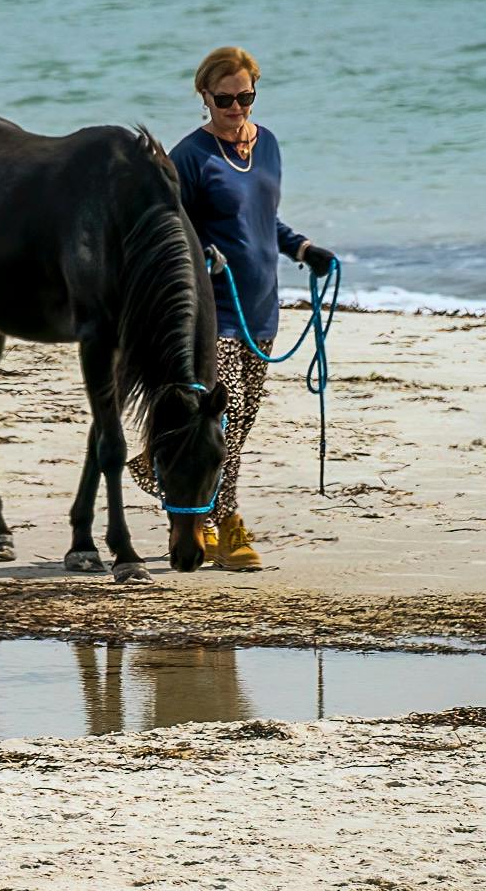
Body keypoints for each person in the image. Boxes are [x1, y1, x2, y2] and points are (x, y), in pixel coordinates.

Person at [134, 46, 336, 570]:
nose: (236, 107)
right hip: (212, 313)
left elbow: (264, 218)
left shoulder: (266, 145)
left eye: (245, 96)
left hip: (262, 307)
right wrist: (201, 251)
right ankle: (224, 526)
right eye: (225, 98)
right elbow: (170, 232)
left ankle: (161, 471)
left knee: (240, 422)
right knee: (222, 423)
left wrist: (302, 248)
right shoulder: (189, 157)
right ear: (204, 96)